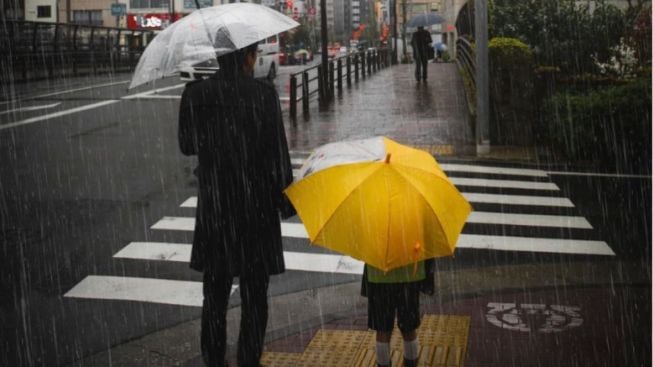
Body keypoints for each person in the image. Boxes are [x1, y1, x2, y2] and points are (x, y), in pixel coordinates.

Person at [178, 42, 295, 367]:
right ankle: (248, 359)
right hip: (256, 208)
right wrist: (284, 199)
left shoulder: (197, 94)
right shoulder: (263, 94)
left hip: (217, 207)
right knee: (255, 295)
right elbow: (277, 154)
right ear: (248, 57)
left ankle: (214, 360)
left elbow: (187, 146)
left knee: (214, 295)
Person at [361, 259, 435, 367]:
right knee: (409, 327)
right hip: (409, 272)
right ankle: (411, 363)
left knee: (382, 330)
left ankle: (383, 364)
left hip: (379, 273)